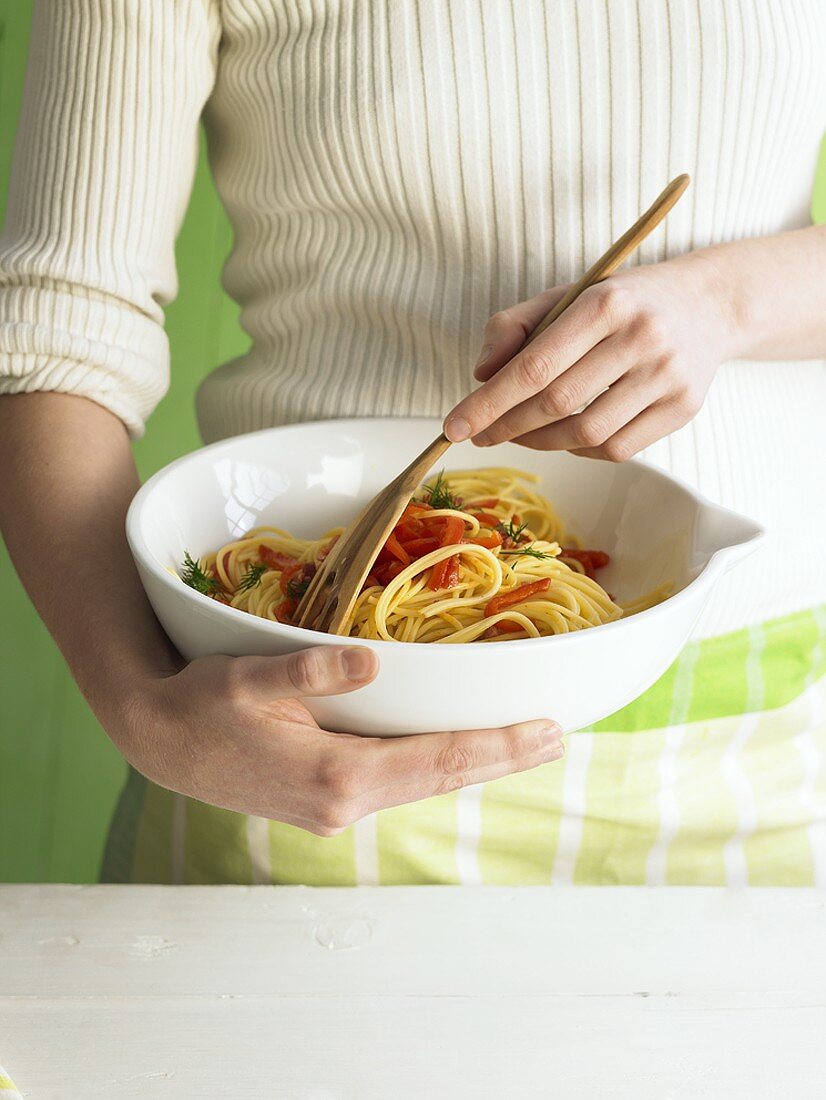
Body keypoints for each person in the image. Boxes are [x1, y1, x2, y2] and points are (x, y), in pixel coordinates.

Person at [1, 1, 824, 887]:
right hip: (311, 737)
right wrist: (147, 714)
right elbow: (55, 334)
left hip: (754, 738)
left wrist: (724, 303)